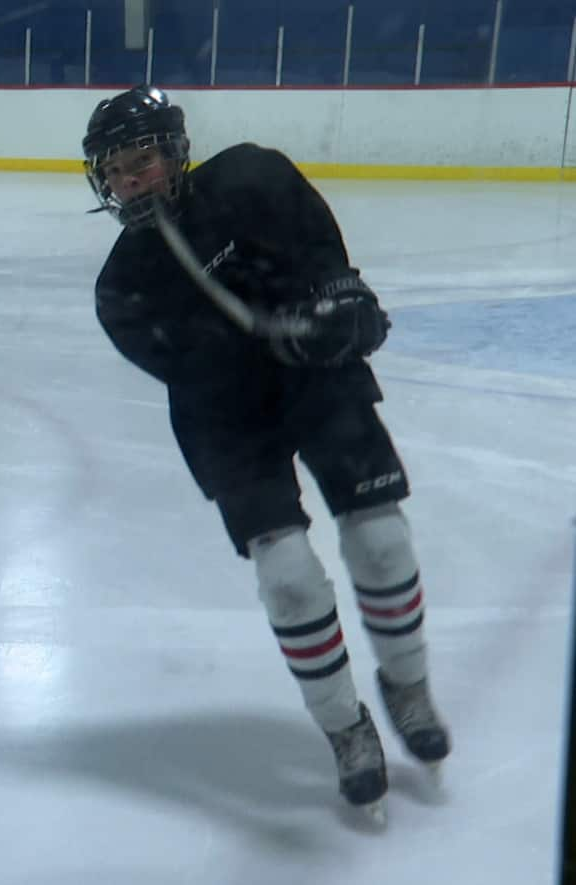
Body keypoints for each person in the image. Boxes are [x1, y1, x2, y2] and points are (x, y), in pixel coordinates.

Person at [83, 84, 450, 820]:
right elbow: (190, 369)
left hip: (316, 378)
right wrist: (264, 336)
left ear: (176, 154)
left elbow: (324, 256)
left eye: (145, 159)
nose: (133, 179)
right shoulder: (121, 287)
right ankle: (346, 726)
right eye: (118, 169)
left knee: (380, 539)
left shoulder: (253, 176)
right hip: (226, 415)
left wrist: (340, 305)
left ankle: (407, 684)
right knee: (287, 579)